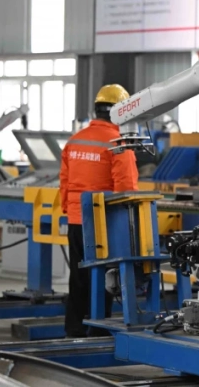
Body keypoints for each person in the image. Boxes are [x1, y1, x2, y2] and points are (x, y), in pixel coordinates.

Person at [60, 84, 139, 338]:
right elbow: (126, 188)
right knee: (105, 278)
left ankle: (74, 329)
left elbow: (65, 183)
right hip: (104, 223)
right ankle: (97, 331)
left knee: (79, 277)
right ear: (121, 112)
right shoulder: (118, 143)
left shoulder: (75, 141)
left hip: (76, 220)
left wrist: (70, 211)